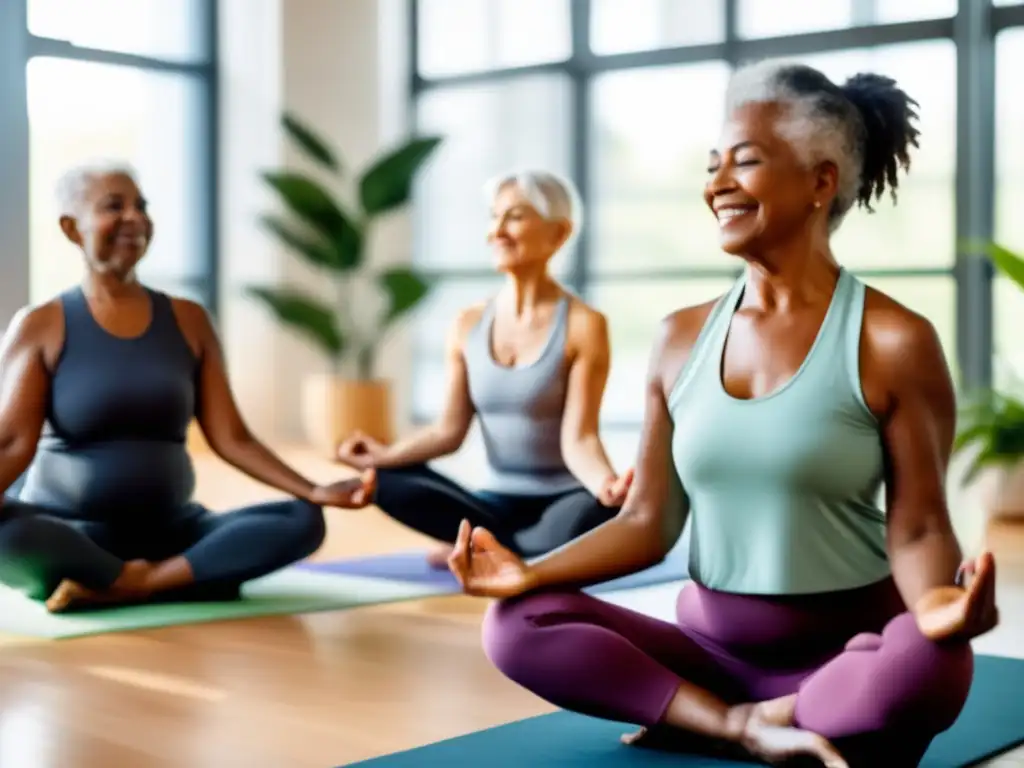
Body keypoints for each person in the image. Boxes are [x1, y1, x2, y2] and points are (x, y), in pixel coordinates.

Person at [446, 62, 999, 767]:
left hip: (845, 658)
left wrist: (936, 611)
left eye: (745, 163)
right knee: (516, 624)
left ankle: (749, 716)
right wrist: (529, 571)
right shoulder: (679, 339)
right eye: (713, 167)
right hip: (709, 652)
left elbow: (918, 524)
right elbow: (647, 521)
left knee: (932, 663)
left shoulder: (894, 339)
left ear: (821, 182)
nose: (716, 185)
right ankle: (736, 722)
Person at [0, 161, 374, 613]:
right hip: (72, 532)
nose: (134, 217)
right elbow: (12, 445)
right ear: (71, 228)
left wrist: (314, 490)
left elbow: (232, 438)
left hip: (174, 531)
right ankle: (180, 578)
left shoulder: (189, 320)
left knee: (301, 520)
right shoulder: (41, 325)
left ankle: (134, 583)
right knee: (9, 533)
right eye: (113, 206)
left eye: (141, 206)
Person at [336, 170, 633, 569]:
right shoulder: (467, 324)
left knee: (602, 514)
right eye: (494, 217)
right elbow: (448, 432)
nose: (497, 230)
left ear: (558, 233)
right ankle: (506, 549)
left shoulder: (584, 325)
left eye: (514, 217)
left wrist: (606, 485)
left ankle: (484, 547)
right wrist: (384, 457)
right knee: (386, 482)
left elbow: (579, 438)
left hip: (563, 501)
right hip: (492, 503)